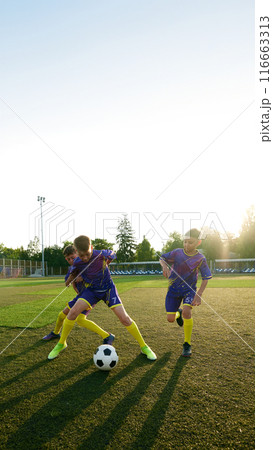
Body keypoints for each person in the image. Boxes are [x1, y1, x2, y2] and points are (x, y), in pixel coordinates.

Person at [48, 235, 157, 361]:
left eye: (87, 254)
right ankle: (61, 344)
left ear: (92, 247)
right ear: (77, 252)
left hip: (108, 290)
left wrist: (107, 260)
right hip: (92, 291)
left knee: (125, 319)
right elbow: (71, 277)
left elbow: (112, 254)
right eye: (81, 255)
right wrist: (71, 280)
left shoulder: (101, 254)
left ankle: (144, 347)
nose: (85, 258)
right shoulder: (77, 262)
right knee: (72, 313)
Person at [160, 228, 212, 357]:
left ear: (198, 243)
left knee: (188, 312)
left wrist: (198, 295)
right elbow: (162, 258)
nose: (186, 245)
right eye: (185, 242)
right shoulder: (177, 253)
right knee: (170, 319)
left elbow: (206, 278)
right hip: (173, 290)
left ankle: (187, 344)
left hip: (189, 290)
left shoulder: (200, 258)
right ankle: (178, 313)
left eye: (190, 242)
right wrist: (165, 266)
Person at [42, 245, 85, 341]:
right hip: (80, 297)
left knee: (80, 320)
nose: (71, 261)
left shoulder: (85, 265)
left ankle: (106, 336)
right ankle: (56, 333)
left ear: (78, 254)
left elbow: (93, 277)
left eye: (73, 258)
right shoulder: (71, 269)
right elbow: (67, 282)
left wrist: (82, 278)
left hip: (87, 297)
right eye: (68, 259)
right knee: (64, 316)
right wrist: (71, 280)